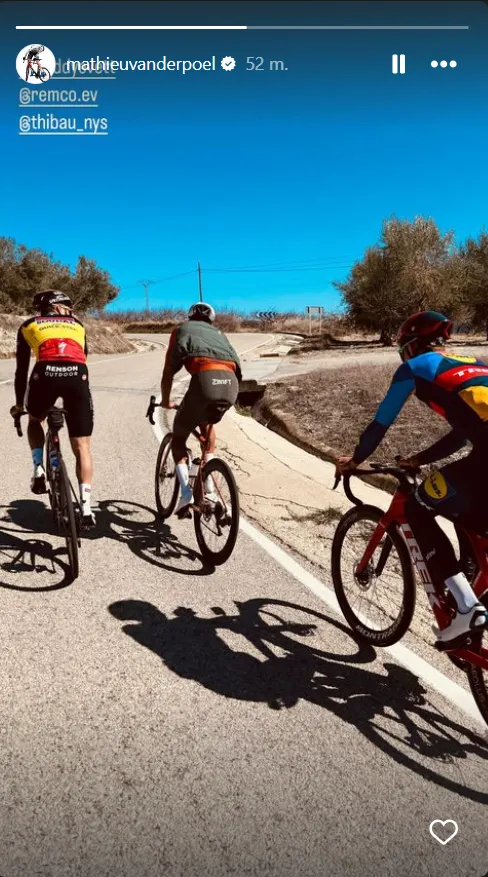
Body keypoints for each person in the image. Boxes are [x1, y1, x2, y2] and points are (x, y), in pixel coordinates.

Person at [337, 309, 488, 644]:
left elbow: (380, 424)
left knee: (419, 507)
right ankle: (472, 583)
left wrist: (356, 459)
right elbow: (463, 434)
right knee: (466, 514)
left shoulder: (414, 368)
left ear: (410, 346)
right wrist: (421, 458)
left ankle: (467, 608)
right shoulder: (477, 363)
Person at [10, 290, 96, 528]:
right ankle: (86, 507)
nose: (70, 309)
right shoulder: (78, 325)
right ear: (56, 306)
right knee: (82, 446)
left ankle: (38, 468)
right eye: (66, 305)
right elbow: (82, 357)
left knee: (35, 420)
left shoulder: (29, 324)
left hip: (44, 374)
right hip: (78, 376)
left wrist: (19, 405)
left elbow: (21, 370)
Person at [161, 302, 242, 514]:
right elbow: (237, 365)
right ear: (211, 319)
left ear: (190, 316)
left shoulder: (181, 330)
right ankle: (209, 487)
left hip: (206, 382)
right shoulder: (220, 333)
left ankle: (186, 494)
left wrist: (166, 400)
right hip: (231, 384)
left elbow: (169, 369)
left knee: (179, 437)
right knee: (208, 425)